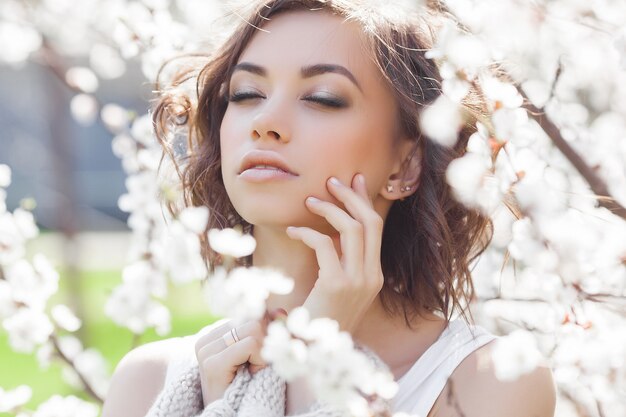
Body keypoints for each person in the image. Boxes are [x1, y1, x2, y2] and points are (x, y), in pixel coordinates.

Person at [102, 1, 556, 416]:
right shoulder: (151, 382)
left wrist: (314, 364)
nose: (265, 123)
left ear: (407, 163)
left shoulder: (487, 382)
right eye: (245, 94)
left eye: (322, 98)